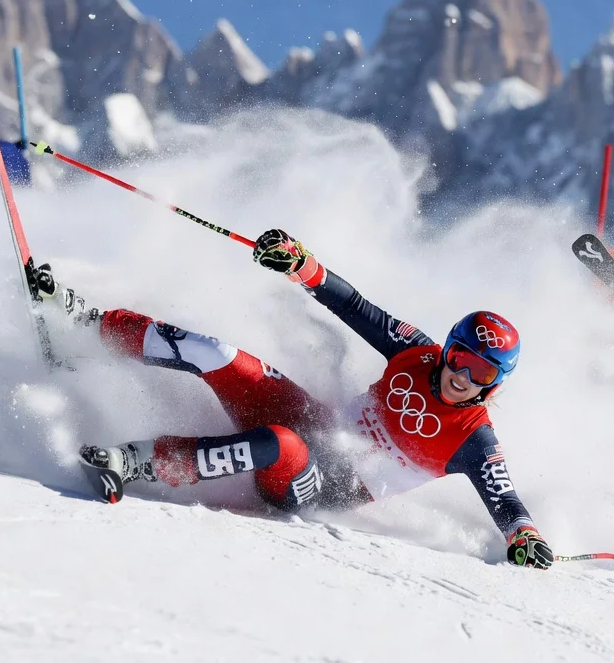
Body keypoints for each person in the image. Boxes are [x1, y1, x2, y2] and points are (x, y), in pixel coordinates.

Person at [28, 228, 553, 569]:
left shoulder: (475, 439)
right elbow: (355, 306)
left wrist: (523, 536)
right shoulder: (416, 353)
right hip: (313, 420)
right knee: (220, 353)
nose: (462, 375)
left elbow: (505, 500)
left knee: (277, 444)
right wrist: (302, 265)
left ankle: (133, 463)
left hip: (320, 485)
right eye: (460, 356)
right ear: (449, 348)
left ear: (494, 384)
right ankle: (82, 328)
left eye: (481, 371)